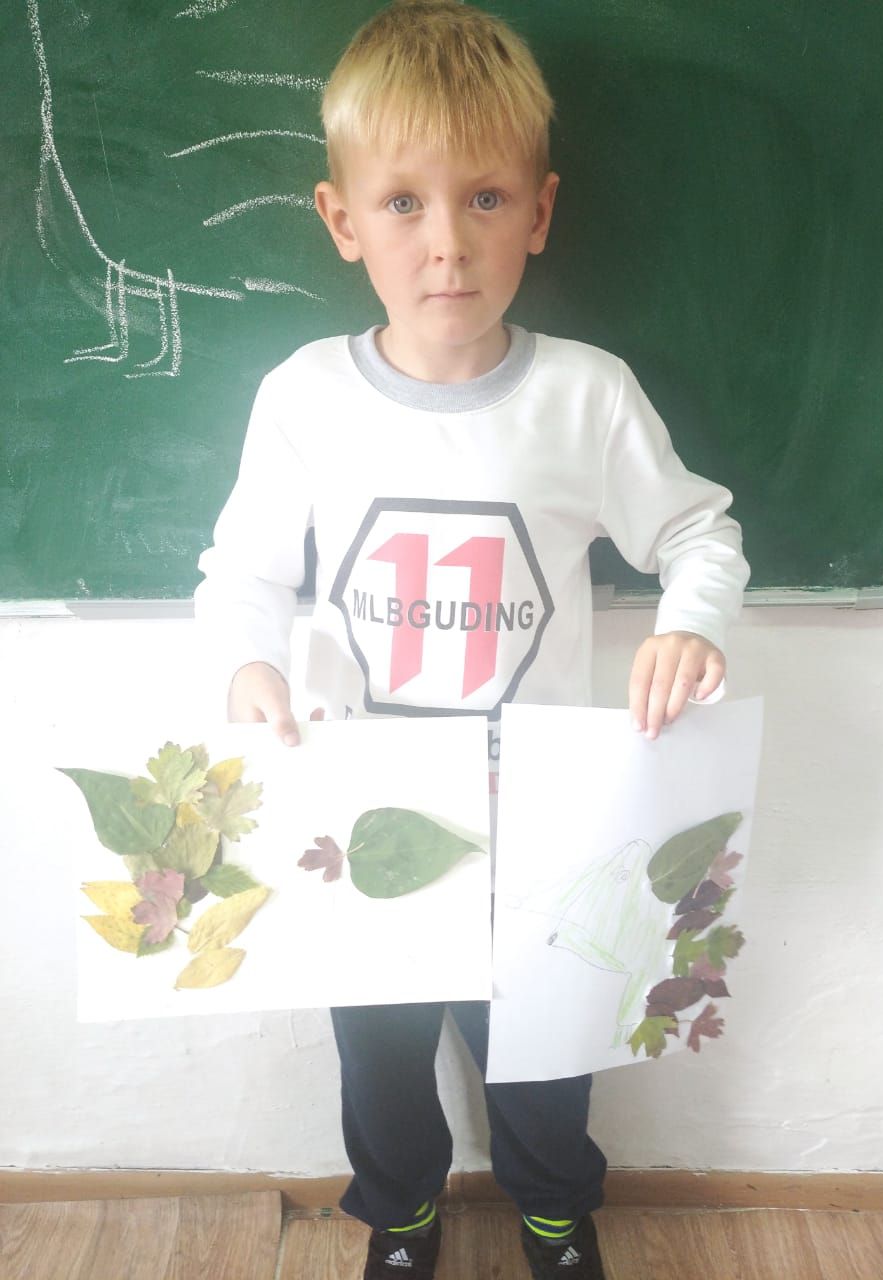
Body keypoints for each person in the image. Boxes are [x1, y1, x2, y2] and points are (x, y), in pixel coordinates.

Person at [194, 2, 750, 1275]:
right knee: (380, 1048)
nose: (447, 241)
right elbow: (243, 572)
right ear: (341, 219)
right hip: (362, 811)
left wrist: (689, 623)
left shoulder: (586, 396)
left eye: (485, 198)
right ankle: (399, 1217)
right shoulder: (305, 397)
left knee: (544, 1045)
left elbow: (699, 532)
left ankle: (555, 1210)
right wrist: (246, 663)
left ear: (539, 212)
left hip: (543, 815)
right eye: (402, 203)